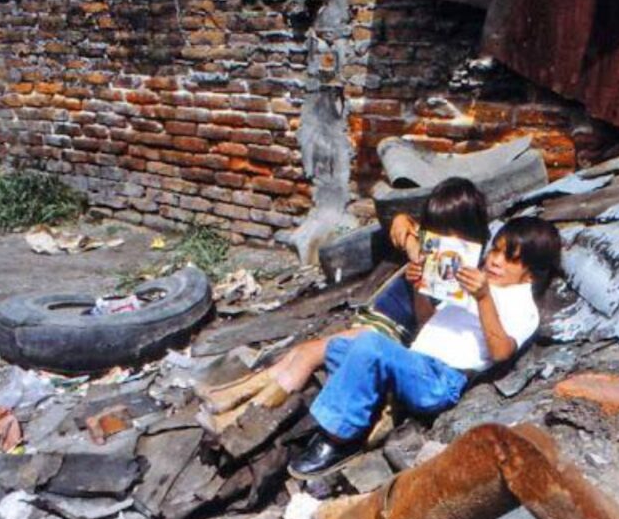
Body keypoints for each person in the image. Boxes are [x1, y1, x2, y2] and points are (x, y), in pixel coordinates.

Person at [195, 178, 490, 432]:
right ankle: (229, 396)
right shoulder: (429, 245)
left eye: (448, 232)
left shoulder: (467, 273)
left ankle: (238, 417)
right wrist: (414, 246)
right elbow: (399, 222)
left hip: (389, 332)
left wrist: (420, 288)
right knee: (299, 351)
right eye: (435, 230)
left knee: (308, 354)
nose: (439, 239)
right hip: (376, 320)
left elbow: (431, 328)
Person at [288, 216, 562, 478]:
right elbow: (427, 322)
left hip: (440, 380)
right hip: (417, 363)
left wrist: (483, 299)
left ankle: (340, 438)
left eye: (510, 258)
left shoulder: (522, 306)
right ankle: (373, 403)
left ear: (530, 275)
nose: (495, 261)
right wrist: (420, 287)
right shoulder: (473, 282)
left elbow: (501, 351)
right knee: (339, 347)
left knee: (369, 346)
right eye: (495, 251)